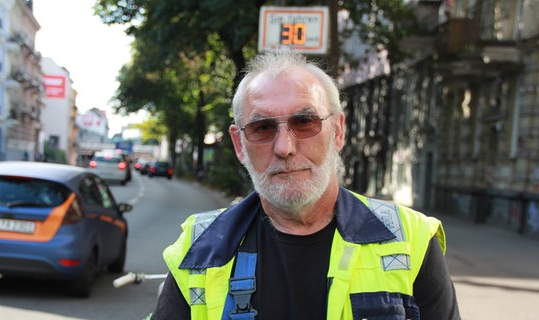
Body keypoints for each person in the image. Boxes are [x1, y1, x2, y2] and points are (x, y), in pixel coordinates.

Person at [152, 50, 460, 320]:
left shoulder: (412, 240)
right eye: (262, 128)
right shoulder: (199, 249)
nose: (284, 147)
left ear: (337, 131)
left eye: (304, 122)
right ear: (239, 144)